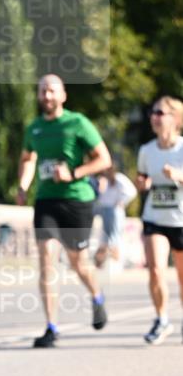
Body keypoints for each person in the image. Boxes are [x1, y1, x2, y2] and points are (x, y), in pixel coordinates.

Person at [17, 74, 112, 347]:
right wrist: (23, 185)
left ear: (63, 95)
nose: (47, 96)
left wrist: (74, 173)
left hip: (76, 201)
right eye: (42, 91)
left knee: (78, 263)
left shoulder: (78, 123)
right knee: (46, 258)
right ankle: (51, 327)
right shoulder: (34, 129)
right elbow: (28, 159)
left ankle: (97, 296)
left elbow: (103, 159)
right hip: (46, 200)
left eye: (51, 91)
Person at [136, 95, 183, 345]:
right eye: (153, 113)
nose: (154, 117)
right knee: (155, 270)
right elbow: (141, 179)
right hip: (155, 217)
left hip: (181, 220)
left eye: (160, 113)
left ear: (175, 119)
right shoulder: (146, 150)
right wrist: (143, 184)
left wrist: (178, 175)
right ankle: (162, 318)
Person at [93, 163, 137, 268]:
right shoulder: (102, 181)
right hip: (104, 209)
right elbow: (100, 197)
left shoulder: (119, 178)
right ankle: (101, 262)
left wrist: (121, 201)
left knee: (114, 237)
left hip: (115, 210)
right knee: (104, 237)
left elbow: (132, 191)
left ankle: (115, 261)